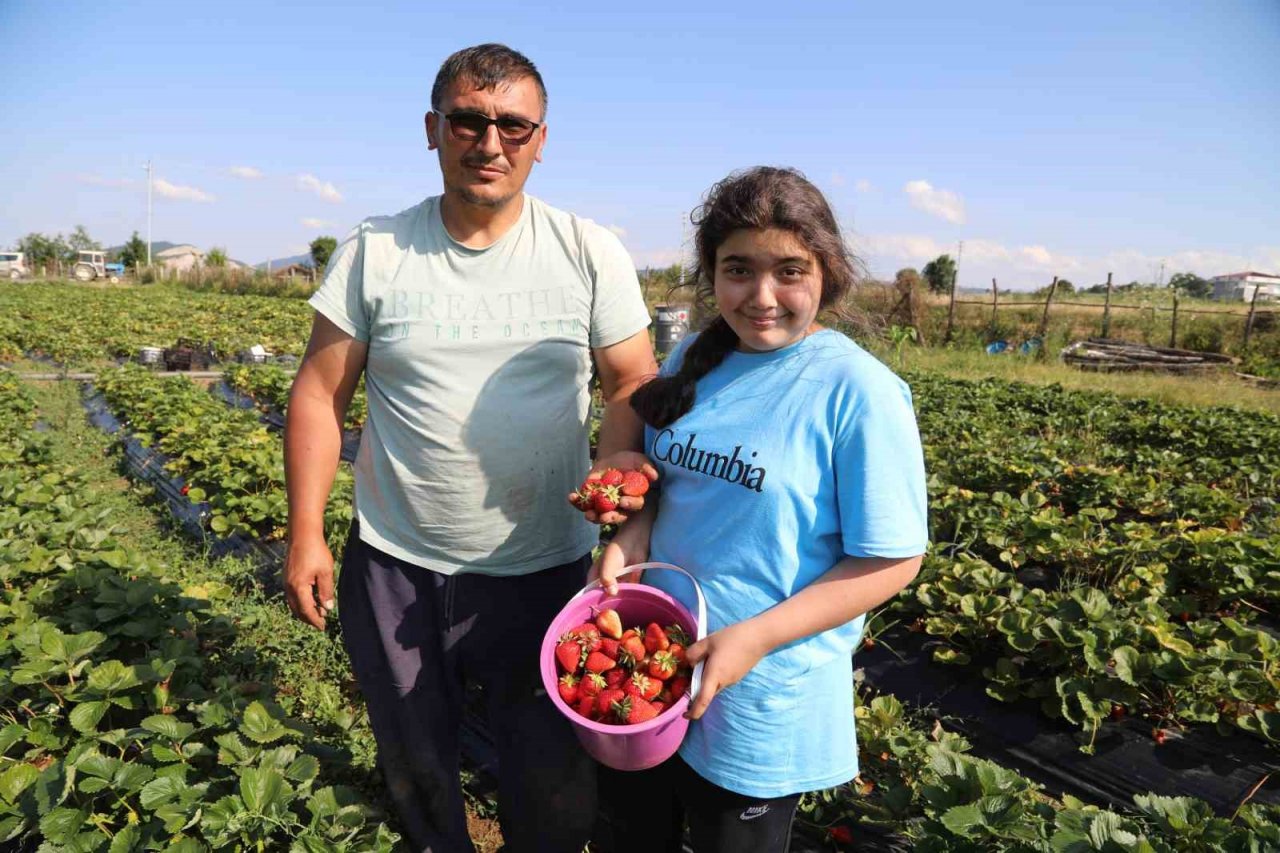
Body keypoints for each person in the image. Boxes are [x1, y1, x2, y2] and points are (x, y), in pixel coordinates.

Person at [282, 43, 658, 853]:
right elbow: (320, 393)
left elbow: (632, 380)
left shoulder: (587, 252)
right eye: (469, 120)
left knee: (552, 781)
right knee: (415, 764)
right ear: (434, 129)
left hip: (547, 571)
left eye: (513, 126)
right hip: (396, 566)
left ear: (541, 139)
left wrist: (616, 460)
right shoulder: (377, 252)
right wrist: (306, 532)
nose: (491, 143)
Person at [591, 166, 928, 852]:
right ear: (711, 272)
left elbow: (893, 558)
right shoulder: (695, 354)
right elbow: (668, 480)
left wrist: (755, 637)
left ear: (827, 274)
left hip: (760, 697)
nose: (763, 296)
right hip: (651, 667)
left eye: (790, 271)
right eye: (739, 269)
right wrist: (631, 534)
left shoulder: (857, 390)